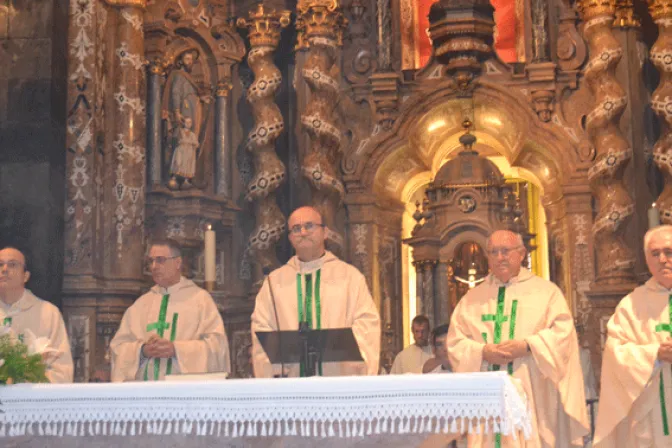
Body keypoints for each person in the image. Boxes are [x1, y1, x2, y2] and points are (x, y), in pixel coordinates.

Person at [446, 230, 589, 447]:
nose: (500, 257)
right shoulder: (471, 299)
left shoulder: (546, 293)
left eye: (506, 251)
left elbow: (564, 335)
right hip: (487, 400)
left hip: (534, 393)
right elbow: (456, 343)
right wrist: (483, 352)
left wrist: (527, 346)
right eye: (494, 252)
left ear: (521, 254)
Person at [251, 206, 380, 377]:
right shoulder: (274, 283)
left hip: (337, 385)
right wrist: (276, 369)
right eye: (296, 229)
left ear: (325, 232)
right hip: (291, 388)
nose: (303, 232)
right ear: (290, 238)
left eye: (309, 226)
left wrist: (343, 359)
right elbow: (262, 329)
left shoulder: (350, 278)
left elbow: (367, 325)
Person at [594, 225, 672, 447]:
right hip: (652, 412)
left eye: (669, 251)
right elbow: (615, 353)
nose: (663, 259)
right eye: (655, 254)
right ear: (646, 259)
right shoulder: (631, 305)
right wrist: (654, 354)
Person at [110, 240, 230, 382]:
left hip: (185, 395)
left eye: (160, 260)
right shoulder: (140, 305)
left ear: (178, 263)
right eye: (151, 261)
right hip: (144, 393)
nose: (154, 267)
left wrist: (176, 350)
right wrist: (142, 351)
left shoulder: (200, 300)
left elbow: (217, 347)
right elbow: (117, 348)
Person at [0, 246, 73, 383]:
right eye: (0, 264)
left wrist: (27, 381)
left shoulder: (48, 313)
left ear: (25, 276)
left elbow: (62, 369)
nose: (4, 269)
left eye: (12, 264)